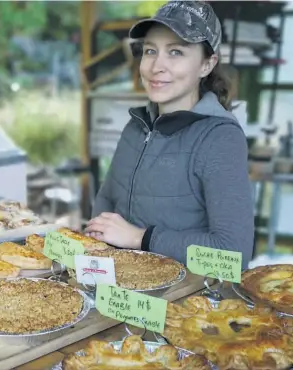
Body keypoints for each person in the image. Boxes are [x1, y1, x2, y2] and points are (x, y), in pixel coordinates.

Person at [84, 1, 254, 268]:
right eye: (150, 50)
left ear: (207, 65)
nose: (156, 66)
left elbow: (234, 254)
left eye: (176, 52)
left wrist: (140, 238)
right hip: (121, 290)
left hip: (183, 301)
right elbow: (106, 200)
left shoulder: (220, 138)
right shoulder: (136, 126)